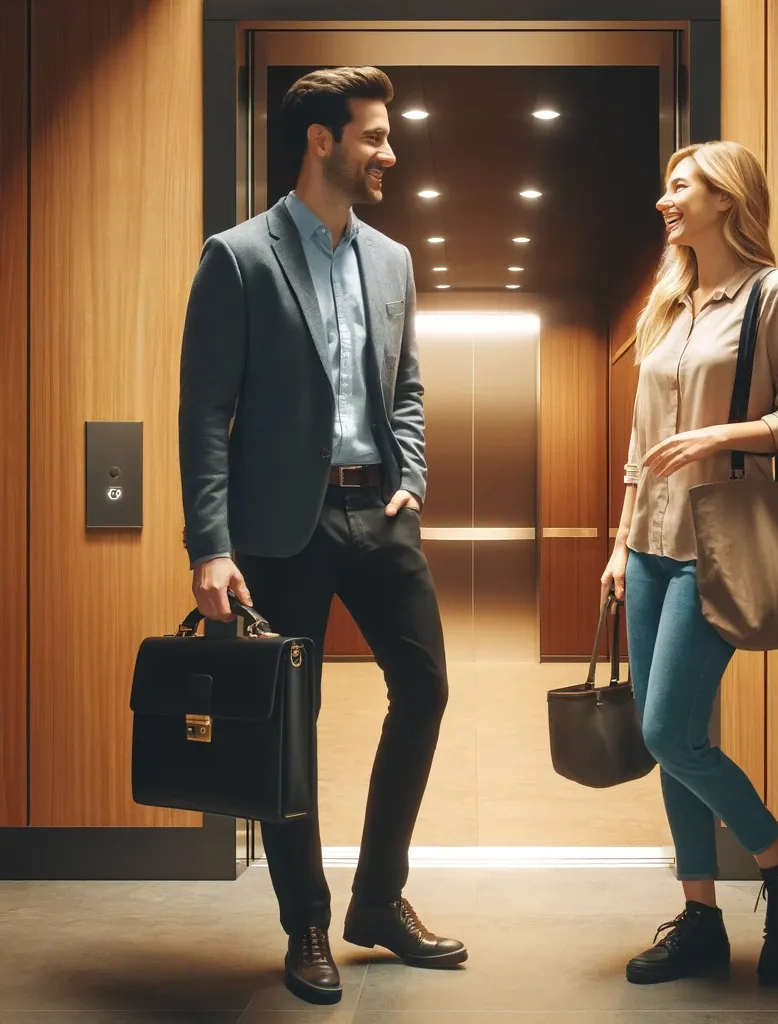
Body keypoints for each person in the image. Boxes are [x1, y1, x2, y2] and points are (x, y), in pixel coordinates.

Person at [179, 66, 466, 1006]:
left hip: (376, 512)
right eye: (375, 136)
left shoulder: (391, 261)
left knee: (423, 686)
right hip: (277, 529)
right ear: (321, 140)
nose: (389, 152)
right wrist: (209, 546)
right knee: (286, 728)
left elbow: (408, 388)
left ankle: (378, 901)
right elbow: (205, 413)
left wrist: (412, 476)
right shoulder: (239, 257)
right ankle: (306, 919)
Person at [601, 140, 778, 987]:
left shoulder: (776, 295)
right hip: (653, 547)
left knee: (668, 730)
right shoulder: (668, 304)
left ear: (726, 198)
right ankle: (700, 917)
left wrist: (725, 433)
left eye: (680, 185)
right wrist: (622, 543)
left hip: (718, 547)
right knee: (674, 743)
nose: (665, 199)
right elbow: (638, 446)